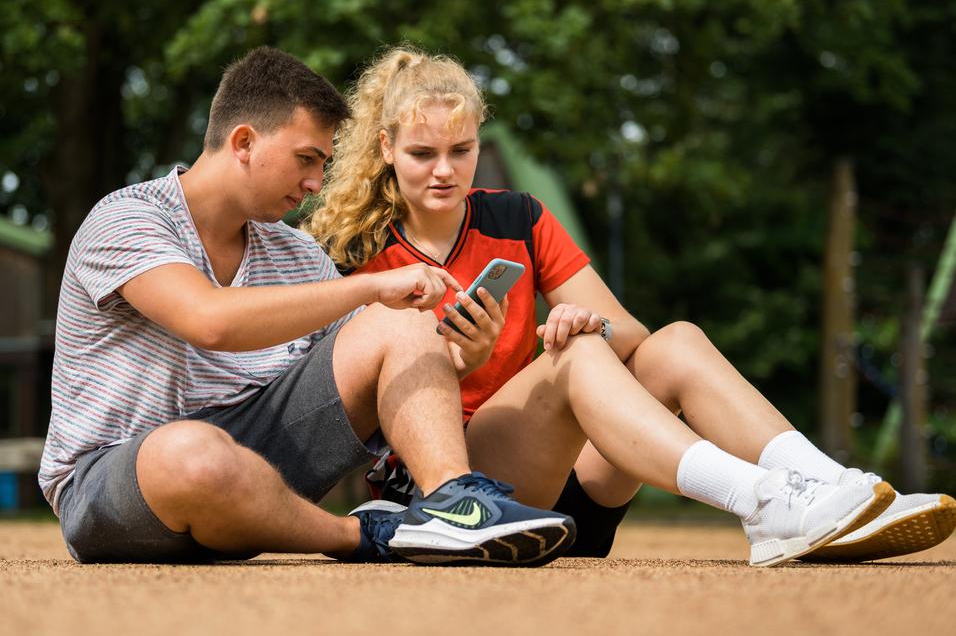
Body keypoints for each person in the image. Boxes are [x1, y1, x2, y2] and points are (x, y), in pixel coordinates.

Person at [308, 45, 955, 565]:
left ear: (480, 139)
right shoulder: (351, 250)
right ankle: (763, 503)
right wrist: (455, 360)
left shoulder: (516, 216)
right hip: (457, 499)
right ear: (387, 147)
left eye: (461, 150)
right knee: (573, 359)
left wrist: (581, 322)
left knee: (671, 340)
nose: (445, 170)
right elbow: (345, 405)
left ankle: (834, 487)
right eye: (423, 154)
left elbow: (631, 334)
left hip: (566, 484)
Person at [37, 46, 578, 567]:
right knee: (192, 453)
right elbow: (210, 321)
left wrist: (466, 359)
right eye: (306, 159)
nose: (316, 183)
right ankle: (366, 534)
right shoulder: (127, 218)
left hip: (261, 472)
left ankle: (452, 505)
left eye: (322, 163)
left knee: (397, 321)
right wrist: (368, 287)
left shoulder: (295, 251)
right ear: (244, 141)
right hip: (118, 482)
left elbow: (383, 366)